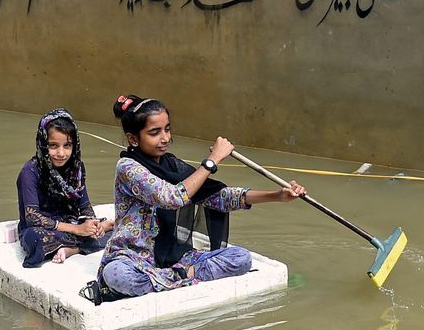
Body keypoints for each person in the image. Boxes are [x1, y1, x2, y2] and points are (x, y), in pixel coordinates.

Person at [96, 94, 306, 297]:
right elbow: (172, 198)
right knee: (117, 275)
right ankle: (183, 278)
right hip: (132, 258)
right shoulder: (128, 168)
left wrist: (277, 195)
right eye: (154, 133)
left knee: (240, 258)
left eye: (167, 130)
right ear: (133, 138)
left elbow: (218, 197)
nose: (165, 138)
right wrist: (211, 161)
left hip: (175, 258)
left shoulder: (172, 165)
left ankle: (173, 278)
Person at [16, 108, 114, 267]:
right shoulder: (30, 171)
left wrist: (92, 224)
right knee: (34, 239)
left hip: (71, 221)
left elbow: (84, 205)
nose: (61, 153)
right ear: (42, 143)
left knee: (122, 233)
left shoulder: (76, 169)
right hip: (44, 228)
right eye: (53, 145)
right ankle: (83, 241)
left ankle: (72, 249)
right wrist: (78, 230)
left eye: (67, 145)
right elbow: (33, 218)